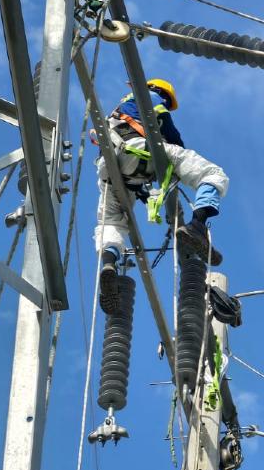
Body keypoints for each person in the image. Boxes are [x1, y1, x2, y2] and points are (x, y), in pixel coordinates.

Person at [93, 78, 229, 313]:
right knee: (213, 174)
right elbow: (167, 127)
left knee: (111, 222)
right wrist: (177, 148)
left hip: (112, 168)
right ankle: (197, 225)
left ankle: (109, 264)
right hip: (140, 150)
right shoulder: (149, 97)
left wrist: (145, 193)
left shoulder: (118, 110)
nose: (165, 102)